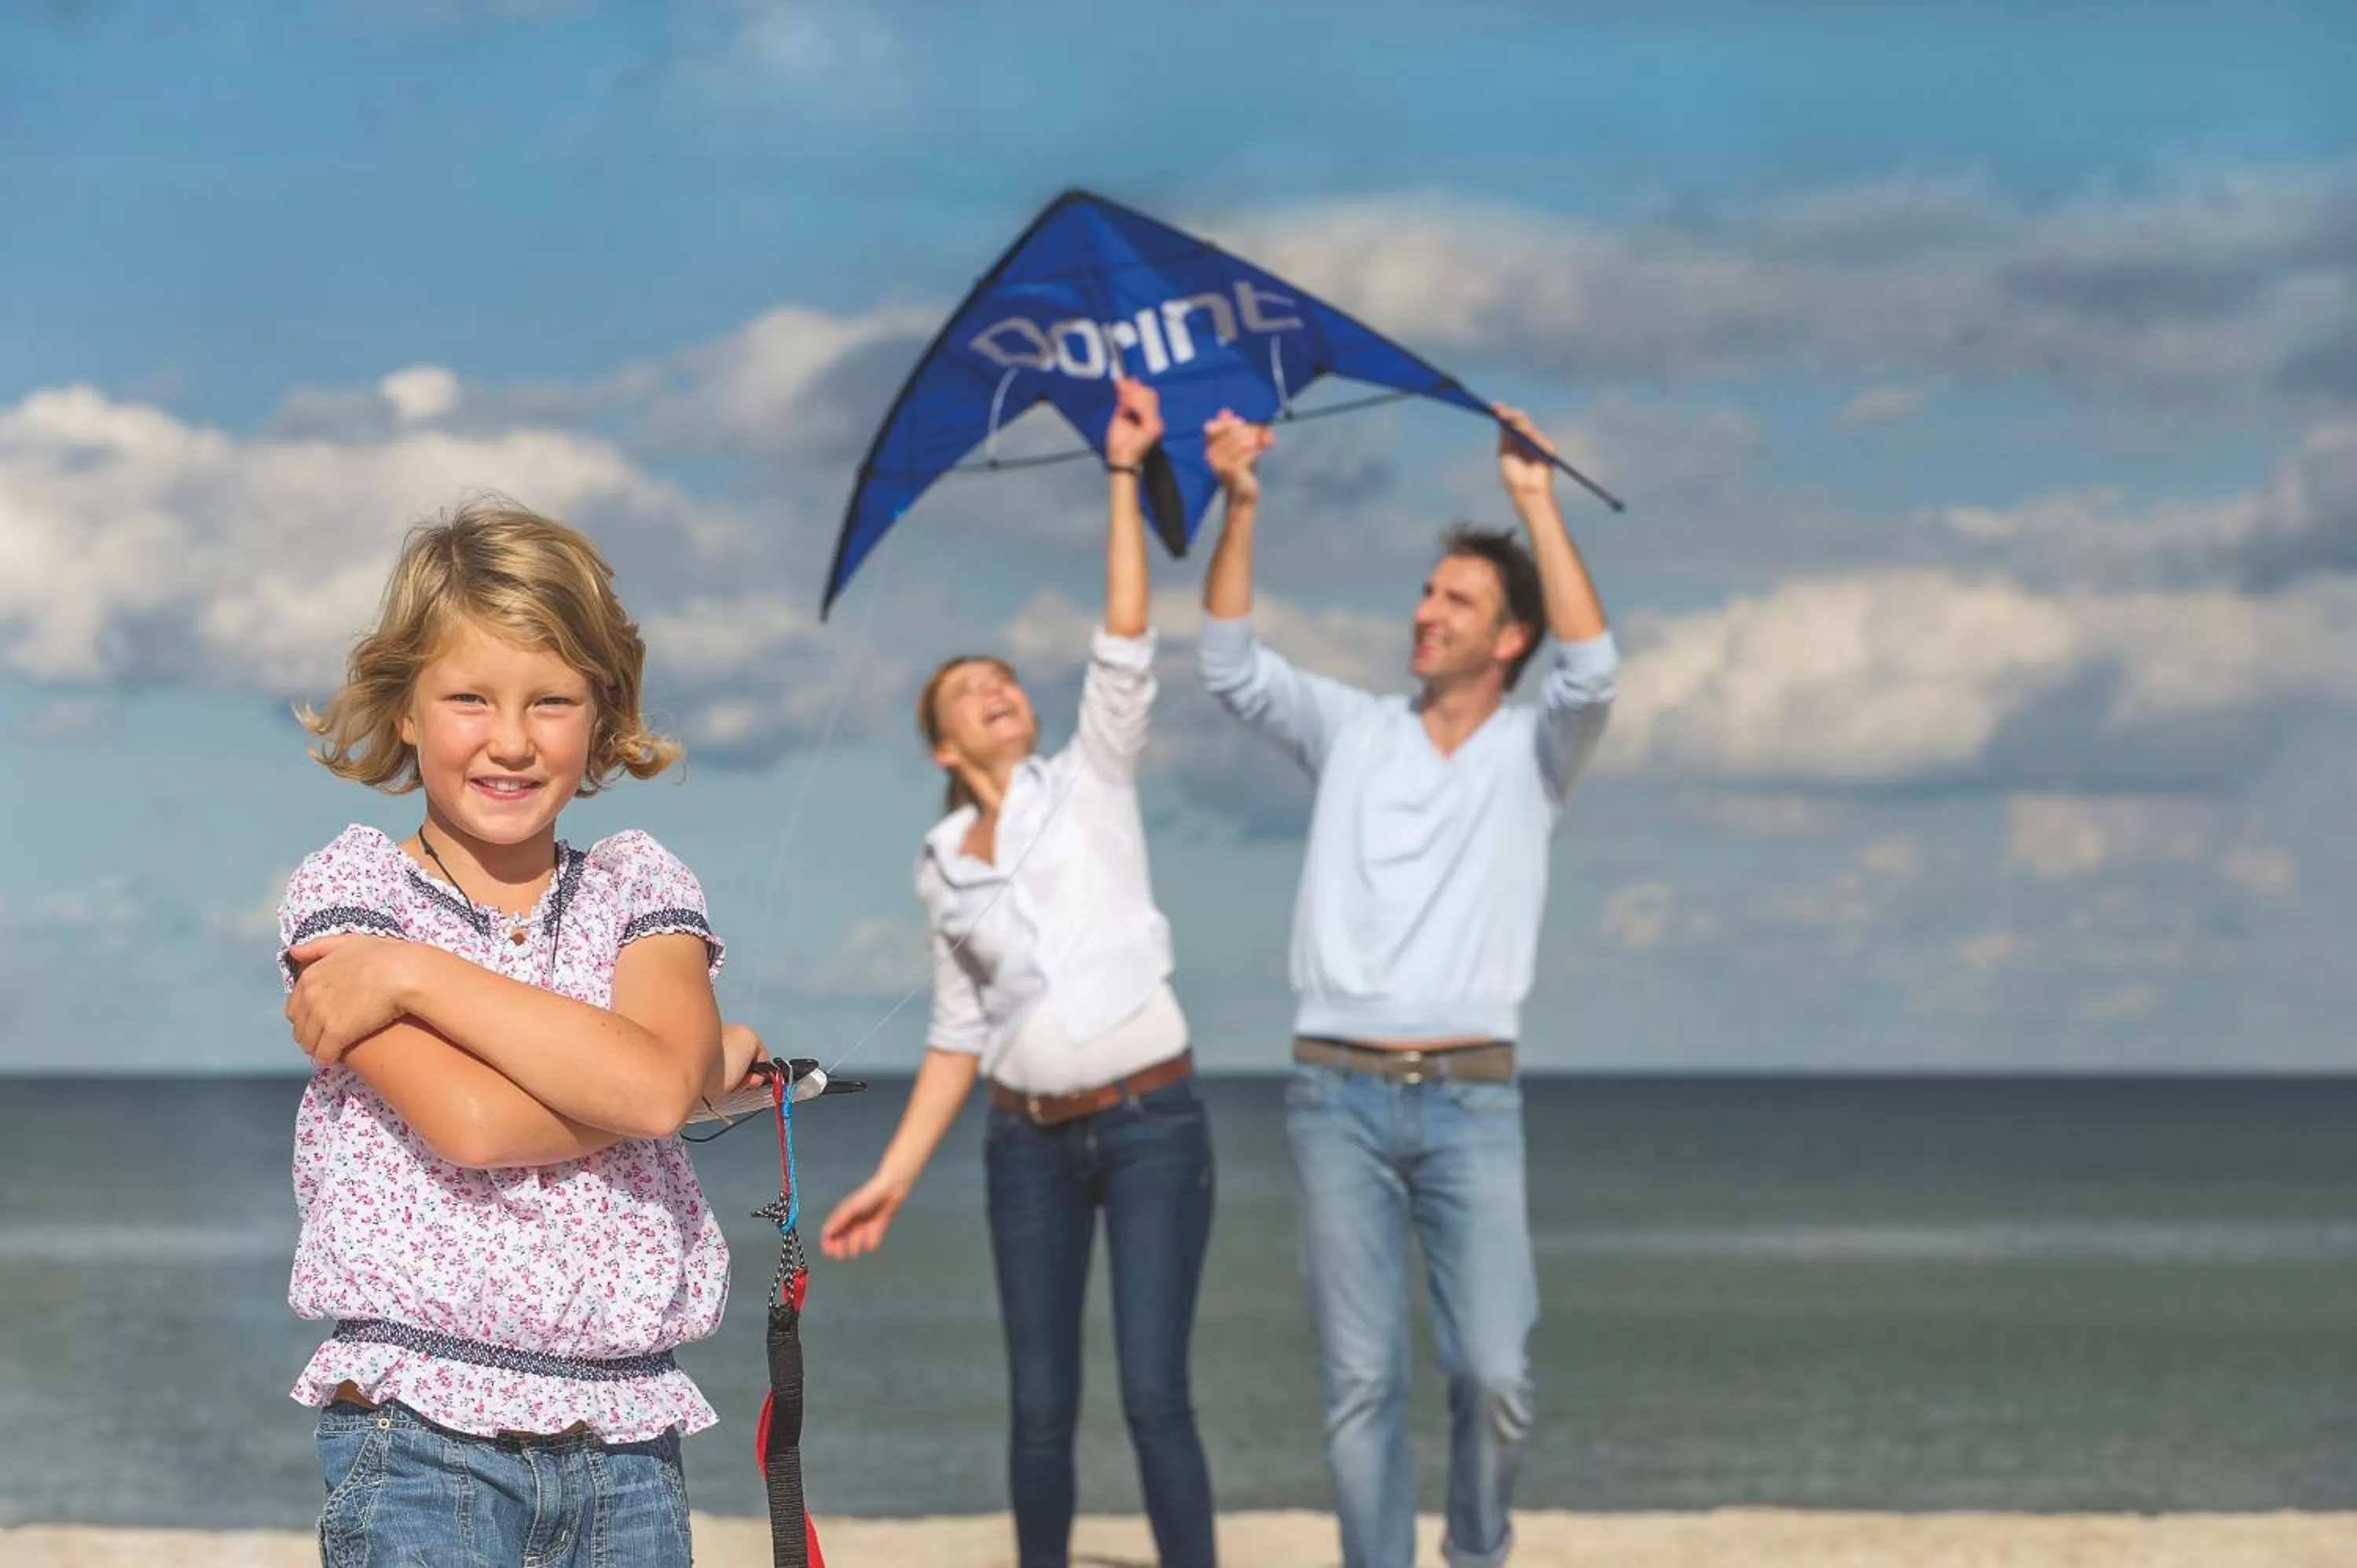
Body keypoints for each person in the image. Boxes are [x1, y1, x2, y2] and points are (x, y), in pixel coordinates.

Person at [275, 499, 766, 1567]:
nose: (510, 740)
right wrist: (677, 1079)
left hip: (627, 1441)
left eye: (551, 701)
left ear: (602, 714)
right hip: (417, 1438)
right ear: (405, 709)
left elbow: (648, 1092)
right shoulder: (352, 894)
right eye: (469, 698)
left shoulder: (639, 887)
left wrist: (415, 975)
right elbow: (474, 1124)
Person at [1194, 404, 1618, 1568]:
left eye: (1457, 601)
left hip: (1474, 1100)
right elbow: (1228, 666)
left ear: (1511, 638)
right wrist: (1240, 502)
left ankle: (1476, 1553)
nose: (1426, 612)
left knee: (1497, 1373)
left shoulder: (1534, 754)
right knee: (1361, 1385)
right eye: (1427, 593)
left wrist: (1534, 498)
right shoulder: (1353, 730)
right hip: (1334, 1098)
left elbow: (1594, 673)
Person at [820, 378, 1217, 1568]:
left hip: (1152, 1124)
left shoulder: (1091, 776)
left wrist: (1120, 472)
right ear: (944, 745)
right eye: (971, 690)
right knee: (1040, 1408)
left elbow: (1126, 640)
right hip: (1022, 1142)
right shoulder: (940, 862)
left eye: (1007, 680)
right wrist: (893, 1178)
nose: (1000, 691)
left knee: (1154, 1393)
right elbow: (958, 1032)